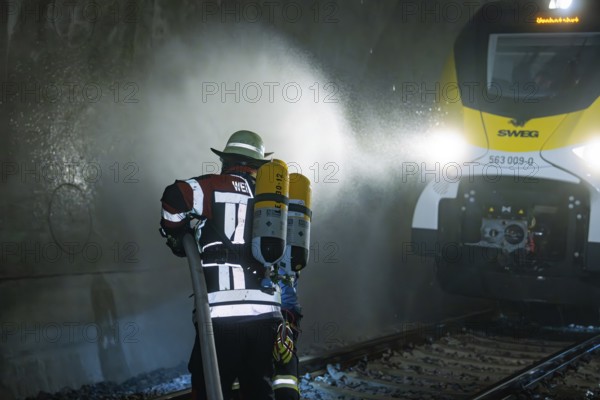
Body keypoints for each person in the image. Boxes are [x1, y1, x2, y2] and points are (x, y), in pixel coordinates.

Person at [159, 130, 283, 400]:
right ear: (258, 166)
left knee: (211, 386)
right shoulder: (271, 199)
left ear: (227, 161)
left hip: (221, 315)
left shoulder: (213, 186)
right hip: (267, 314)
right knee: (258, 387)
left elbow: (173, 197)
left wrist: (178, 234)